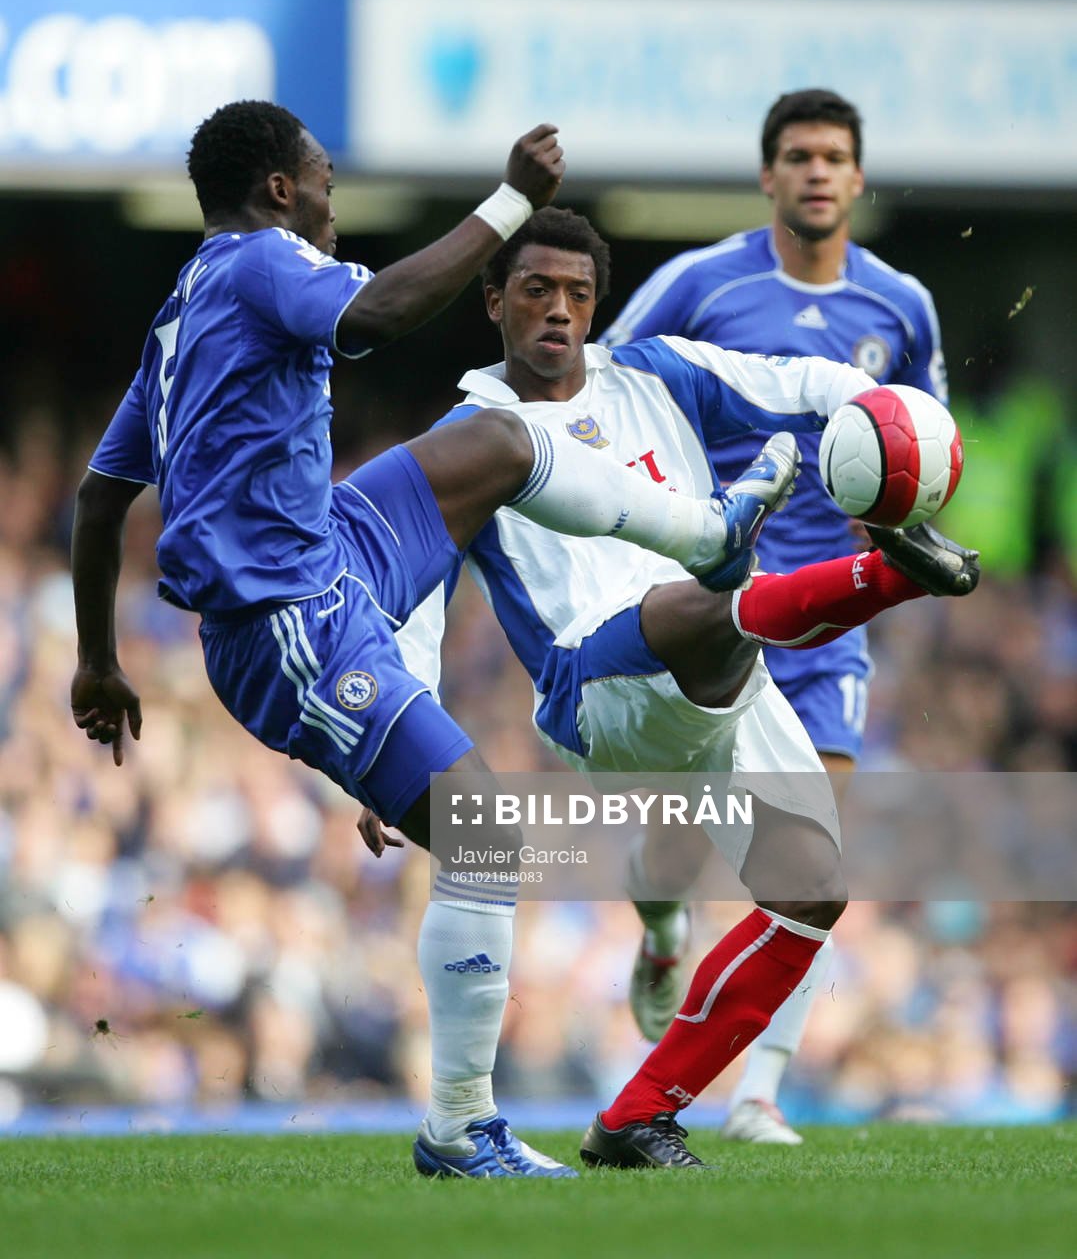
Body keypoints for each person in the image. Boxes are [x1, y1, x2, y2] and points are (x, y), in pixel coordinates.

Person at [69, 101, 798, 1179]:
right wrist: (512, 201)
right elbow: (381, 312)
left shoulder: (187, 308)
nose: (331, 196)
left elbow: (98, 496)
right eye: (321, 175)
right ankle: (460, 1126)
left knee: (497, 439)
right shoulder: (265, 264)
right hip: (286, 620)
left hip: (329, 551)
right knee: (490, 835)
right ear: (279, 189)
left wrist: (97, 658)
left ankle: (705, 532)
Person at [365, 206, 978, 1170]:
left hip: (720, 671)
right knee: (705, 597)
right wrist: (388, 751)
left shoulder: (656, 372)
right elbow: (414, 605)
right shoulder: (471, 436)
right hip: (594, 685)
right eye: (535, 291)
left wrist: (880, 416)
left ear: (596, 303)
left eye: (576, 293)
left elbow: (800, 381)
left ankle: (637, 1116)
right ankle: (887, 577)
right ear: (493, 302)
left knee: (811, 894)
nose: (558, 311)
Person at [599, 88, 949, 1144]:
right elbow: (605, 385)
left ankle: (758, 1093)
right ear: (767, 175)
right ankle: (662, 928)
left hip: (826, 619)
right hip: (705, 602)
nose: (816, 171)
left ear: (858, 177)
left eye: (834, 156)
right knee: (670, 854)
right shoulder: (699, 283)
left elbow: (924, 435)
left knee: (813, 858)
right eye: (797, 154)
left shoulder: (902, 306)